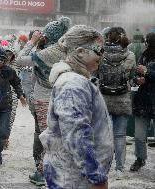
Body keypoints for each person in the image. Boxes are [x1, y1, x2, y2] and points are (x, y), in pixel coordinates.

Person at [39, 25, 113, 189]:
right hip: (72, 177)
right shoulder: (73, 84)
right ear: (80, 51)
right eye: (99, 50)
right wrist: (96, 176)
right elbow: (76, 135)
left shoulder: (78, 80)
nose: (102, 55)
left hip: (73, 173)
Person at [16, 17, 71, 186]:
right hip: (65, 99)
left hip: (44, 100)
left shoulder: (46, 53)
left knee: (48, 138)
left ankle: (42, 172)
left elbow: (19, 60)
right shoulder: (70, 52)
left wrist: (31, 41)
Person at [96, 27, 135, 179]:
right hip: (123, 99)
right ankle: (119, 169)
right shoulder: (130, 55)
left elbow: (94, 75)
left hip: (103, 100)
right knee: (120, 136)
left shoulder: (100, 54)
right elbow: (131, 78)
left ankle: (102, 166)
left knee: (103, 136)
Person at [130, 32, 155, 172]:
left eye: (148, 41)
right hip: (142, 101)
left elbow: (146, 72)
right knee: (139, 135)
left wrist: (147, 73)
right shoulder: (144, 55)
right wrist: (137, 79)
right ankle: (140, 159)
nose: (146, 43)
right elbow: (136, 74)